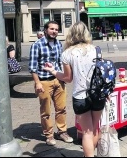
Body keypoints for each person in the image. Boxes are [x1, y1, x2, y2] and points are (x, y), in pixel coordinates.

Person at [43, 21, 105, 157]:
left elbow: (67, 78)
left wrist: (53, 71)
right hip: (98, 94)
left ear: (71, 34)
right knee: (95, 128)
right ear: (86, 33)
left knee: (87, 132)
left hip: (80, 96)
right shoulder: (95, 49)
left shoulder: (67, 54)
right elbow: (101, 73)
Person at [28, 21, 73, 146]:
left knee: (61, 108)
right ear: (46, 30)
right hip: (44, 82)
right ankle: (49, 135)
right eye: (52, 29)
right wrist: (37, 83)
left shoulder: (59, 44)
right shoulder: (37, 45)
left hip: (58, 80)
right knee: (46, 111)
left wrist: (64, 77)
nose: (54, 31)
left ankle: (62, 132)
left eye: (56, 29)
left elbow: (60, 63)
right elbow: (32, 67)